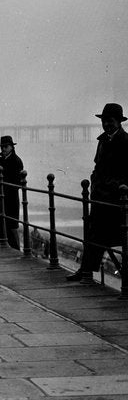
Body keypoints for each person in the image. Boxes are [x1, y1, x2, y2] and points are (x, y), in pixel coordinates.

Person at [67, 103, 128, 284]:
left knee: (101, 235)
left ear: (118, 122)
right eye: (104, 121)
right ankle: (86, 271)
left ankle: (87, 272)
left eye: (110, 121)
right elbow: (97, 169)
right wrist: (94, 187)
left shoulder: (125, 142)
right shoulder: (102, 140)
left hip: (116, 201)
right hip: (100, 198)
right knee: (94, 234)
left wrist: (108, 187)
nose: (106, 125)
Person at [0, 135, 25, 249]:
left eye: (6, 146)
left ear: (12, 147)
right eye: (2, 147)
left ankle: (16, 250)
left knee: (11, 226)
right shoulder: (1, 160)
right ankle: (3, 245)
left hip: (10, 199)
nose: (3, 149)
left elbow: (17, 183)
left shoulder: (17, 161)